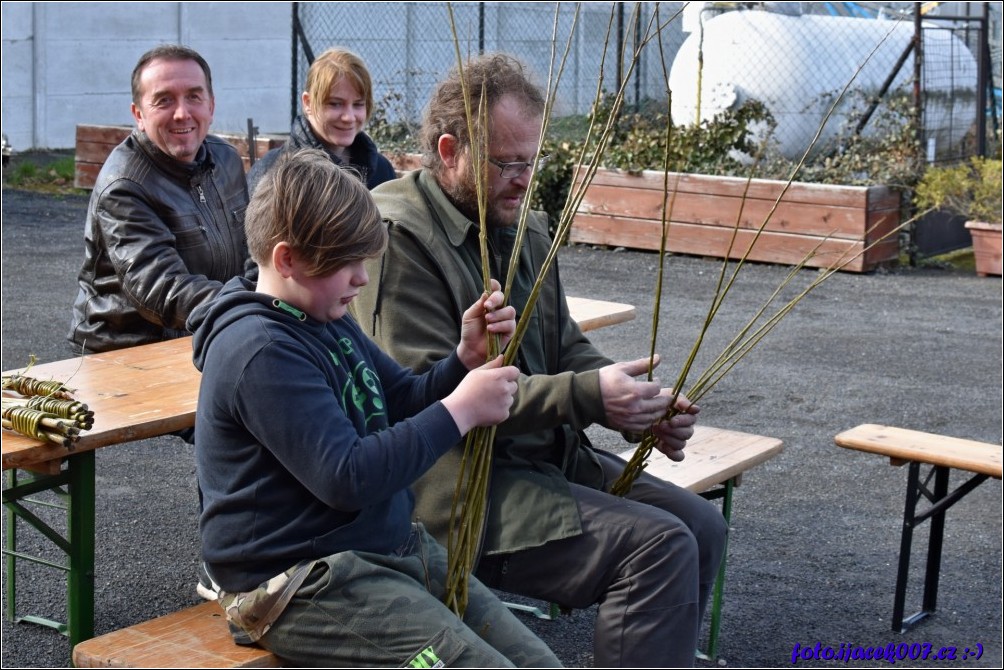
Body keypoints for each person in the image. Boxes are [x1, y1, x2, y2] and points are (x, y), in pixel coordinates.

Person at [352, 53, 728, 668]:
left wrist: (634, 403)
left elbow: (562, 342)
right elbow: (426, 401)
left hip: (545, 459)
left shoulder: (520, 224)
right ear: (449, 151)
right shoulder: (398, 237)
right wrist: (587, 397)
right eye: (508, 163)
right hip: (458, 490)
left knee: (701, 526)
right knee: (657, 548)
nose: (526, 179)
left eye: (534, 160)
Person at [187, 147, 562, 668]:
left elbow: (403, 399)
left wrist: (461, 361)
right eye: (348, 262)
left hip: (381, 550)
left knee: (538, 663)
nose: (362, 278)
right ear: (287, 258)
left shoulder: (321, 313)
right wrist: (461, 410)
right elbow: (347, 477)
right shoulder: (259, 350)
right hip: (297, 584)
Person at [68, 44, 252, 355]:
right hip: (126, 353)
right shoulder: (124, 186)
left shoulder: (227, 161)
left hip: (211, 333)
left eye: (194, 96)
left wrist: (271, 296)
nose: (182, 113)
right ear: (138, 114)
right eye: (164, 100)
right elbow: (160, 289)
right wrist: (252, 306)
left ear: (211, 105)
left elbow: (255, 251)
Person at [246, 47, 395, 195]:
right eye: (335, 104)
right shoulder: (273, 171)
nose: (349, 117)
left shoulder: (381, 171)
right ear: (307, 103)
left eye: (358, 104)